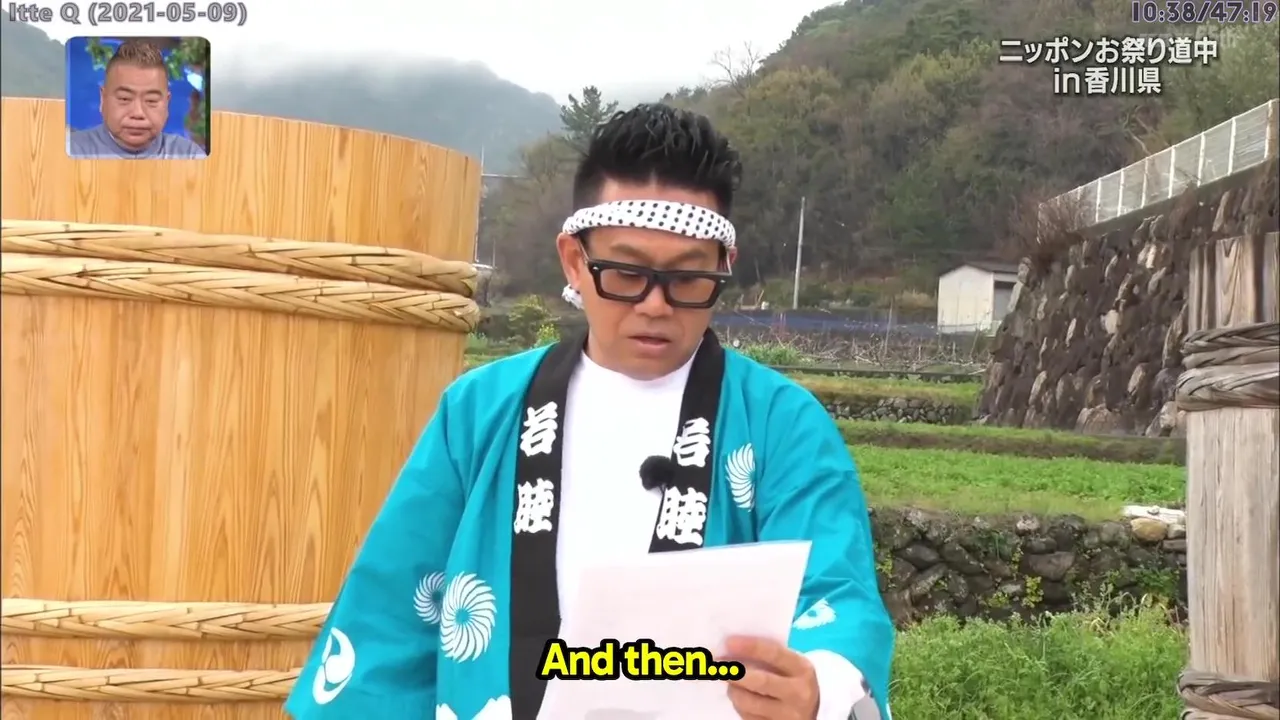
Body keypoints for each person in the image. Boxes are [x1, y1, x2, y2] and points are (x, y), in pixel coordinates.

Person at [285, 103, 894, 720]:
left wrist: (817, 690)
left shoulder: (782, 425)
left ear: (723, 268)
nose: (655, 305)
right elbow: (389, 620)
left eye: (688, 278)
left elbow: (835, 597)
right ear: (575, 261)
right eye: (625, 273)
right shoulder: (478, 411)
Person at [66, 39, 207, 159]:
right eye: (124, 98)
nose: (138, 113)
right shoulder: (72, 151)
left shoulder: (189, 155)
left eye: (151, 100)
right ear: (103, 99)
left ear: (167, 103)